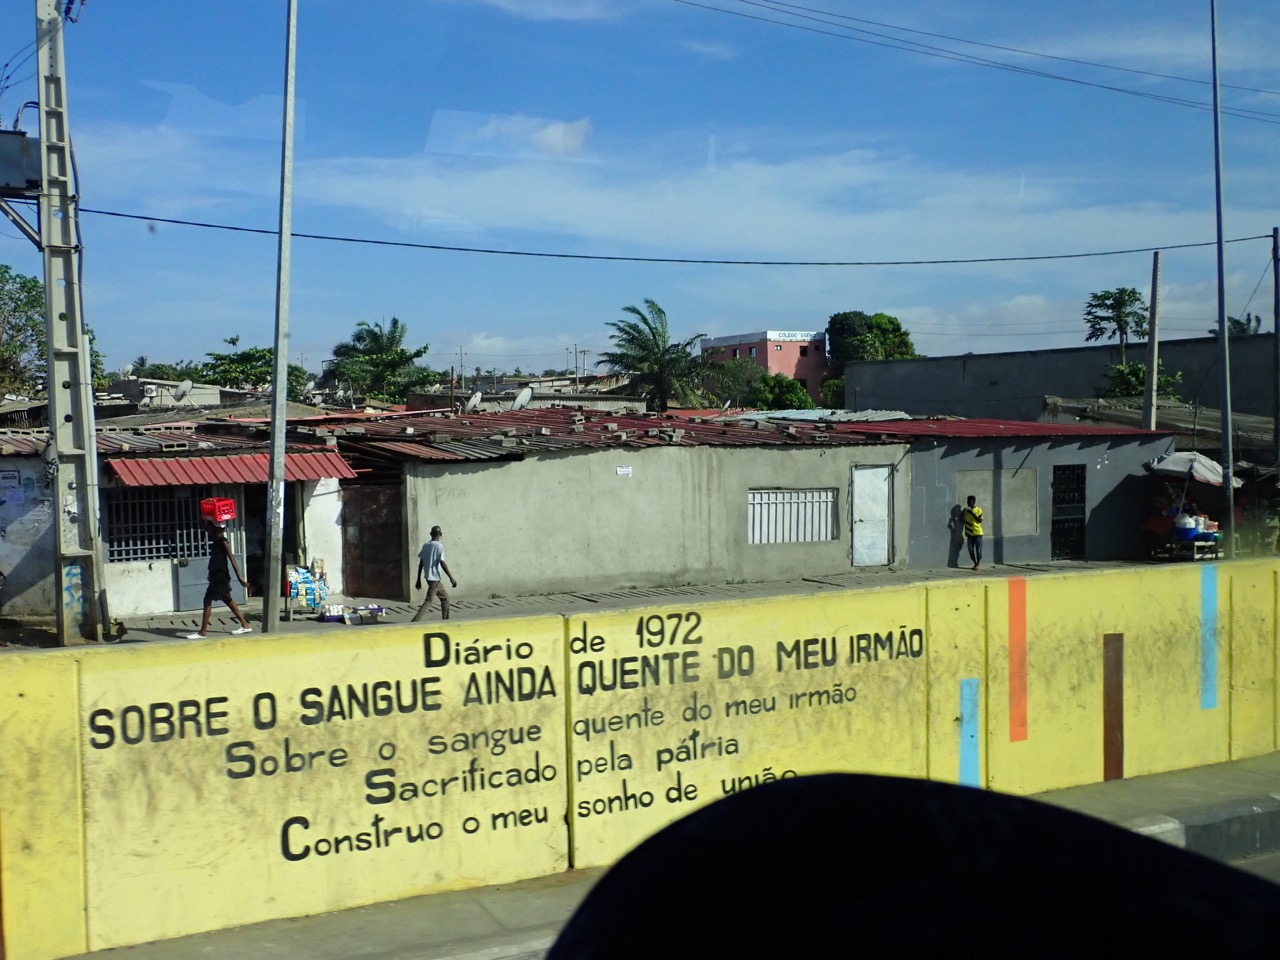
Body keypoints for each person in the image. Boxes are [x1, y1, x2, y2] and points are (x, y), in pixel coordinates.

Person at [186, 520, 253, 638]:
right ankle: (245, 624)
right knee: (227, 599)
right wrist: (207, 515)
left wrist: (240, 578)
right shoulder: (216, 537)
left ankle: (203, 631)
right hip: (216, 575)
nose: (212, 530)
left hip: (220, 576)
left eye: (215, 528)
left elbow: (232, 560)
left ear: (219, 529)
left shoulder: (223, 541)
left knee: (208, 599)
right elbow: (203, 524)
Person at [412, 525, 458, 621]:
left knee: (445, 598)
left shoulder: (426, 545)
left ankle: (446, 621)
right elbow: (442, 563)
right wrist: (451, 578)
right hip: (435, 579)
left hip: (429, 578)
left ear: (430, 534)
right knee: (428, 602)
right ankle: (414, 622)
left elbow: (421, 563)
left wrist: (418, 579)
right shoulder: (439, 546)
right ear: (440, 534)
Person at [961, 495, 984, 570]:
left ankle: (978, 564)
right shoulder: (966, 510)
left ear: (973, 502)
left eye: (969, 501)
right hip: (969, 534)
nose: (968, 503)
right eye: (967, 501)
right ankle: (974, 563)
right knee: (970, 549)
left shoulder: (978, 510)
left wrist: (972, 513)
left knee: (978, 549)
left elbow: (979, 520)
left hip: (978, 533)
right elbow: (962, 521)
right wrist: (964, 513)